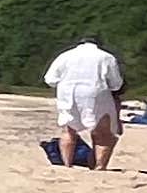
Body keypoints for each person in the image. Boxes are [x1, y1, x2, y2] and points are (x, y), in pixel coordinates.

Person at [42, 37, 123, 169]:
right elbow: (116, 84)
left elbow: (50, 79)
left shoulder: (65, 55)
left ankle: (67, 164)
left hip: (68, 92)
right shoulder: (106, 57)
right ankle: (99, 166)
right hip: (96, 93)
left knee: (69, 131)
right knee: (102, 133)